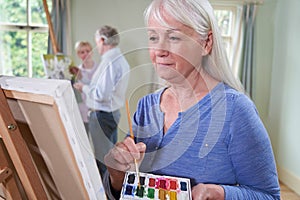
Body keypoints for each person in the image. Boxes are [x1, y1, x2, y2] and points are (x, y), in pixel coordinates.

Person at [103, 0, 281, 199]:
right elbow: (128, 189)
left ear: (206, 43)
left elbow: (269, 196)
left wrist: (220, 193)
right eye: (153, 37)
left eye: (173, 37)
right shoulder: (146, 106)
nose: (159, 50)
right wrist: (117, 176)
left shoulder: (235, 110)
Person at [73, 25, 130, 178]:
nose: (96, 46)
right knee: (110, 158)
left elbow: (101, 94)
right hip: (110, 114)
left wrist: (84, 88)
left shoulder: (109, 62)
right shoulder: (119, 60)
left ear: (103, 40)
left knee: (103, 161)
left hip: (102, 116)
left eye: (96, 42)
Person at [70, 41, 97, 132]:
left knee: (99, 144)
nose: (85, 54)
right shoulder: (76, 71)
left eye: (87, 51)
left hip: (97, 112)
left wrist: (82, 78)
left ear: (92, 52)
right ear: (78, 54)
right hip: (81, 112)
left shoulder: (100, 69)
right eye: (82, 52)